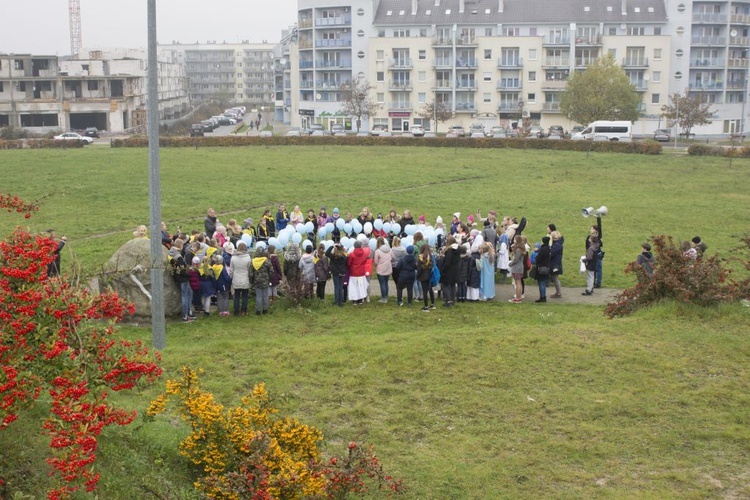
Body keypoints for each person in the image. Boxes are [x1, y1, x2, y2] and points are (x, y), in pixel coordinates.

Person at [169, 239, 194, 322]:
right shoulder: (178, 256)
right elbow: (182, 269)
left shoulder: (171, 253)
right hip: (183, 278)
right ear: (180, 246)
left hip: (176, 276)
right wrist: (189, 273)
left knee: (189, 293)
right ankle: (185, 315)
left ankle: (188, 313)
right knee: (185, 296)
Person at [249, 247, 273, 315]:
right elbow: (271, 271)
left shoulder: (253, 261)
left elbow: (250, 273)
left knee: (258, 296)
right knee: (265, 296)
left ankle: (258, 311)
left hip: (257, 281)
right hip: (265, 280)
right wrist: (269, 279)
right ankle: (265, 310)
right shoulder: (266, 261)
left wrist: (251, 281)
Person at [231, 241, 252, 316]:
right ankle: (244, 310)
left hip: (236, 278)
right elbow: (249, 269)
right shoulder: (248, 257)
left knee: (236, 296)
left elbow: (231, 269)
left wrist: (231, 277)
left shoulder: (233, 257)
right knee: (245, 296)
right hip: (245, 278)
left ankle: (236, 311)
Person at [347, 240, 370, 305]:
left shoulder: (352, 254)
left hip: (353, 273)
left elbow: (349, 263)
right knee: (361, 286)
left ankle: (354, 300)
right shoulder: (364, 254)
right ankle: (360, 300)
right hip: (361, 273)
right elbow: (365, 261)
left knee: (354, 287)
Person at [326, 242, 348, 306]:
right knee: (341, 287)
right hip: (342, 273)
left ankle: (336, 302)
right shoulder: (344, 257)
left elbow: (327, 253)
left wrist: (332, 246)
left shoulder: (333, 256)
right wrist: (342, 247)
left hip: (336, 273)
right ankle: (340, 302)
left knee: (336, 287)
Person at [441, 236, 460, 307]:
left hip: (449, 270)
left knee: (445, 285)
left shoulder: (449, 250)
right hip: (456, 269)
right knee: (453, 285)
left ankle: (448, 301)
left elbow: (447, 262)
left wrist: (443, 269)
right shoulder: (458, 249)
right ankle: (452, 300)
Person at [416, 244, 436, 311]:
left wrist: (417, 276)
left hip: (423, 276)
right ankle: (433, 304)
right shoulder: (430, 256)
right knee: (430, 289)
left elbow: (419, 269)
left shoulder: (420, 257)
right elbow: (433, 265)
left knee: (424, 291)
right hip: (430, 275)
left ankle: (426, 306)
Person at [373, 237, 393, 303]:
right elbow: (392, 258)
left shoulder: (377, 251)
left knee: (382, 283)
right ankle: (386, 296)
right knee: (386, 283)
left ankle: (384, 298)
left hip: (380, 269)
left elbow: (375, 262)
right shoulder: (390, 250)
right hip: (388, 268)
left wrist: (376, 265)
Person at [585, 216, 604, 288]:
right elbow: (586, 246)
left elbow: (600, 228)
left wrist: (598, 218)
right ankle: (592, 282)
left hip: (597, 254)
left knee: (598, 269)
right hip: (591, 255)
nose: (591, 229)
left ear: (596, 230)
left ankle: (598, 283)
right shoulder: (588, 237)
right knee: (593, 269)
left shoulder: (598, 236)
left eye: (592, 228)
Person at [508, 235, 526, 303]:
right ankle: (519, 296)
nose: (513, 240)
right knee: (518, 282)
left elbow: (516, 260)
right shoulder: (520, 248)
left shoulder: (518, 249)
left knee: (518, 282)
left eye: (515, 239)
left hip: (517, 267)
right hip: (519, 267)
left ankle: (518, 297)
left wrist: (510, 263)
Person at [535, 236, 551, 303]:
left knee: (541, 282)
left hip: (541, 267)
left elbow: (538, 258)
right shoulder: (549, 248)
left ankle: (542, 297)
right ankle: (543, 296)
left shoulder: (543, 249)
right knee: (543, 282)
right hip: (547, 266)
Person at [549, 230, 564, 298]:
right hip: (556, 262)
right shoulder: (558, 244)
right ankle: (558, 292)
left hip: (555, 263)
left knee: (555, 278)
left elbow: (552, 253)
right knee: (555, 277)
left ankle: (558, 293)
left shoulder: (556, 245)